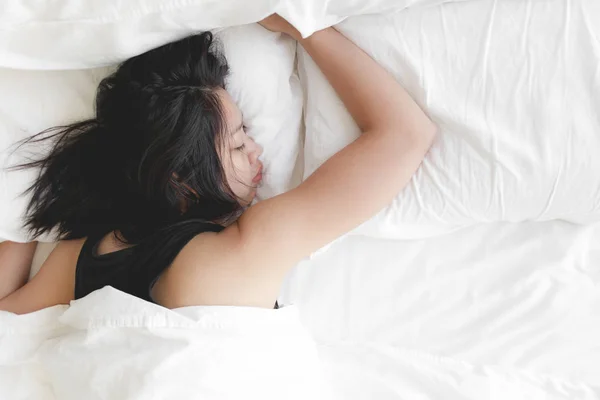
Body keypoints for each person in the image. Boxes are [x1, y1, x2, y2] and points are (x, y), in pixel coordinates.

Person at [0, 15, 437, 315]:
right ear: (181, 176)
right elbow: (405, 135)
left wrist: (24, 214)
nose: (257, 151)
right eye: (237, 143)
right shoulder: (249, 247)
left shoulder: (83, 256)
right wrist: (306, 30)